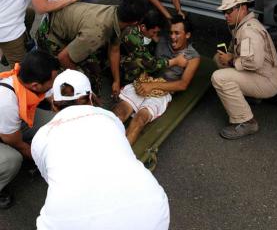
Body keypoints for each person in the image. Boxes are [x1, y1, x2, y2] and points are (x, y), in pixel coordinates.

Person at [31, 69, 170, 230]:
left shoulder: (40, 138)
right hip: (152, 209)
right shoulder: (109, 118)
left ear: (54, 105)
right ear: (90, 98)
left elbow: (51, 178)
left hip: (68, 220)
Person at [37, 0, 148, 96]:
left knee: (95, 71)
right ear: (135, 23)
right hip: (51, 35)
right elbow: (63, 57)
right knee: (85, 85)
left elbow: (114, 49)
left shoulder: (118, 16)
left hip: (70, 30)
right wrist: (81, 82)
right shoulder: (97, 33)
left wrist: (116, 81)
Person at [113, 15, 201, 145]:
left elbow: (182, 85)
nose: (172, 37)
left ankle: (120, 155)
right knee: (119, 113)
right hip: (145, 81)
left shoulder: (193, 57)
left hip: (163, 92)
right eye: (171, 32)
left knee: (140, 119)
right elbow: (145, 33)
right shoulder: (161, 40)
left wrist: (153, 86)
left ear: (187, 35)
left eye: (177, 33)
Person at [211, 0, 277, 140]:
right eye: (225, 11)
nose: (226, 15)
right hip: (261, 74)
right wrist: (228, 57)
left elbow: (253, 63)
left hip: (267, 80)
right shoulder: (241, 25)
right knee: (218, 59)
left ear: (243, 8)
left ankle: (246, 121)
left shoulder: (249, 31)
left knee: (219, 78)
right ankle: (247, 97)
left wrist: (231, 60)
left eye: (229, 10)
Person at [0, 50, 60, 209]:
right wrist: (46, 164)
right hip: (7, 132)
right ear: (35, 85)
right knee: (11, 160)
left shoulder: (25, 77)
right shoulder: (6, 101)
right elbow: (16, 142)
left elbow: (51, 95)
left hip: (9, 125)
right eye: (52, 81)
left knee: (57, 123)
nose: (54, 84)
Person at [120, 9, 188, 83]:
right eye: (154, 32)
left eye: (157, 32)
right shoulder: (134, 38)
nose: (155, 35)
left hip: (129, 53)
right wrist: (175, 61)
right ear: (143, 27)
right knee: (136, 65)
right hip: (120, 64)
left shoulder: (140, 25)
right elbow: (151, 65)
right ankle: (127, 82)